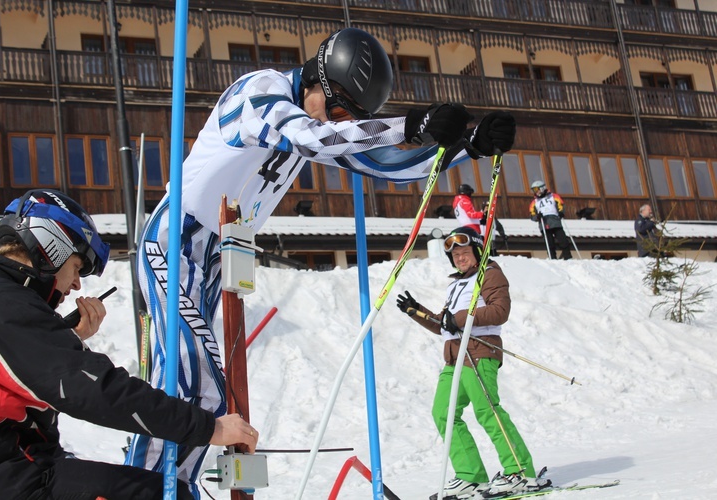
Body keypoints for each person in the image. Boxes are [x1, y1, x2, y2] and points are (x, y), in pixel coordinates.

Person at [126, 26, 517, 491]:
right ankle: (143, 487)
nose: (336, 121)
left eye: (344, 117)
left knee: (205, 386)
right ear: (316, 80)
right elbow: (313, 138)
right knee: (194, 376)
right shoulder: (261, 93)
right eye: (335, 109)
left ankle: (168, 483)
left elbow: (383, 162)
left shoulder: (317, 123)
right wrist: (409, 124)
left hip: (217, 256)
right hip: (177, 239)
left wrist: (466, 145)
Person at [0, 189, 258, 500]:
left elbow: (14, 371)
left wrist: (66, 339)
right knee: (164, 496)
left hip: (4, 469)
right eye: (77, 267)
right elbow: (91, 388)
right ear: (50, 247)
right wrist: (208, 427)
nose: (77, 284)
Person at [396, 227, 549, 499]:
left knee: (487, 411)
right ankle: (471, 476)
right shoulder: (456, 283)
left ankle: (521, 472)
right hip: (454, 357)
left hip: (479, 352)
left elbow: (500, 311)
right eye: (455, 255)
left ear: (477, 251)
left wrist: (458, 318)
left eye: (465, 253)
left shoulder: (489, 274)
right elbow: (445, 326)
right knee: (443, 413)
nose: (460, 258)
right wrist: (417, 312)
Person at [528, 180, 572, 260]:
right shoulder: (534, 202)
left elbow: (561, 205)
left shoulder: (553, 196)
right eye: (534, 190)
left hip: (555, 221)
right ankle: (552, 258)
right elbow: (532, 215)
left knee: (563, 240)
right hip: (544, 223)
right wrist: (537, 217)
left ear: (542, 188)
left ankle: (567, 257)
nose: (535, 192)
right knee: (549, 243)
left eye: (536, 189)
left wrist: (561, 212)